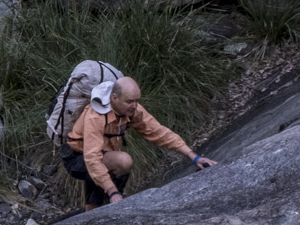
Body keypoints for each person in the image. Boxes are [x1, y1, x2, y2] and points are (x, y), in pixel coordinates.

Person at [62, 75, 217, 209]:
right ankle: (108, 202)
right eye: (130, 101)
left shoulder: (131, 108)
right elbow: (92, 159)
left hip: (102, 156)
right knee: (122, 161)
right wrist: (112, 191)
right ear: (114, 98)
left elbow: (158, 132)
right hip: (76, 158)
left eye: (136, 101)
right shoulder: (95, 116)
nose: (135, 106)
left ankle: (97, 209)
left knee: (110, 162)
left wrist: (194, 157)